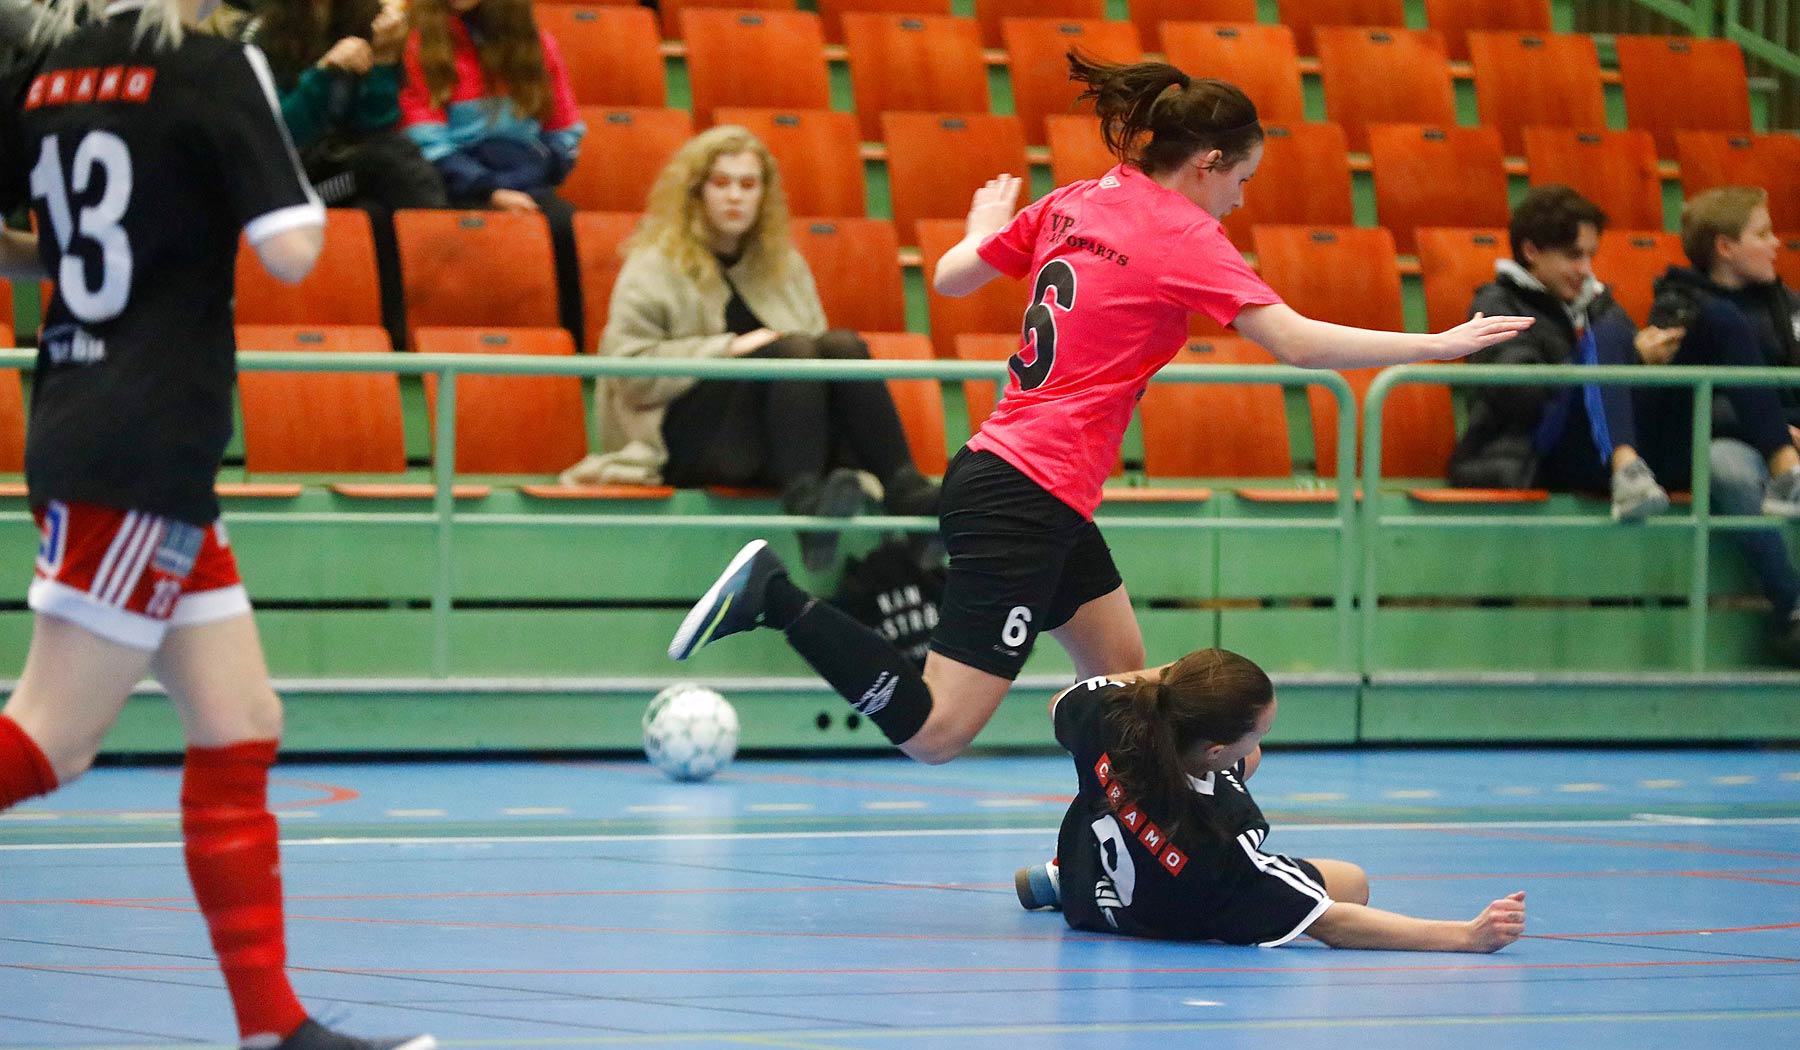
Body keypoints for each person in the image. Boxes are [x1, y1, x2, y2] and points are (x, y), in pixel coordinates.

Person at [667, 52, 1529, 766]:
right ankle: (775, 597)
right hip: (1024, 495)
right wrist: (1437, 344)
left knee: (1124, 688)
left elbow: (951, 277)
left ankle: (1107, 861)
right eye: (1243, 181)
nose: (1242, 200)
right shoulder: (1186, 235)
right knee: (936, 731)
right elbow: (1298, 344)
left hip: (1029, 480)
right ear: (1207, 165)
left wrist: (980, 226)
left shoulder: (1082, 198)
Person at [0, 0, 434, 1050]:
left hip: (96, 422)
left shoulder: (51, 70)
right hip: (148, 443)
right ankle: (273, 1030)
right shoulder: (204, 65)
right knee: (52, 737)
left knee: (239, 722)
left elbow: (35, 246)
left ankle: (275, 1036)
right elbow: (292, 248)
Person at [1010, 648, 1527, 952]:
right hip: (1163, 912)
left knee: (1154, 800)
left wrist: (1171, 677)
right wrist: (1464, 935)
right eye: (1256, 733)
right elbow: (1332, 923)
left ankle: (1059, 876)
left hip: (1088, 889)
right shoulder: (1223, 841)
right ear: (1213, 751)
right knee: (1354, 884)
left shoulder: (1112, 721)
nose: (1258, 745)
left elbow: (1062, 702)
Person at [596, 125, 940, 572]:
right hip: (688, 440)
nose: (734, 196)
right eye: (720, 184)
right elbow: (629, 376)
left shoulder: (783, 264)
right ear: (696, 193)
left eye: (747, 184)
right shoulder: (653, 265)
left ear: (763, 194)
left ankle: (907, 494)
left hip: (780, 440)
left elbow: (821, 364)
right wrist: (730, 349)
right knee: (792, 349)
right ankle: (806, 502)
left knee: (841, 346)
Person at [205, 0, 447, 346]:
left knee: (375, 214)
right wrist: (323, 73)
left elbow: (376, 123)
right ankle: (442, 278)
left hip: (349, 167)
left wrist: (383, 62)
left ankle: (392, 338)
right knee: (387, 164)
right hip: (289, 179)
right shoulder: (262, 35)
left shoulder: (367, 20)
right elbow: (274, 134)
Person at [1447, 186, 1687, 521]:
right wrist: (1625, 356)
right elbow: (1521, 395)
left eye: (1591, 256)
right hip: (1534, 454)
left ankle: (1776, 455)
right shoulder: (1496, 305)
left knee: (1713, 324)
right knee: (1609, 336)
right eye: (1574, 256)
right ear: (1531, 251)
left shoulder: (1599, 305)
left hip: (1592, 450)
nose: (1586, 269)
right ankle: (1626, 469)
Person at [1647, 187, 1800, 664]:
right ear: (1725, 248)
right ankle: (1793, 604)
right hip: (1721, 441)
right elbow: (1690, 404)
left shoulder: (1787, 304)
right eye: (1762, 234)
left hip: (1788, 438)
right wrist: (1774, 431)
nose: (1777, 243)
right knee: (1725, 465)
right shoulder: (1677, 309)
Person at [398, 0, 585, 341]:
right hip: (457, 182)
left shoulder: (539, 45)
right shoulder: (422, 44)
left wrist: (525, 182)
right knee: (473, 228)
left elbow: (565, 132)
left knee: (565, 224)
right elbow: (426, 140)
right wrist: (490, 189)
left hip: (527, 179)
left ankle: (567, 348)